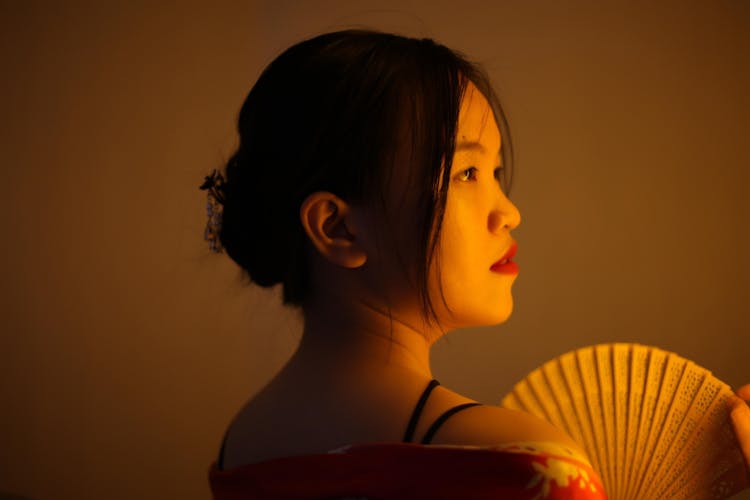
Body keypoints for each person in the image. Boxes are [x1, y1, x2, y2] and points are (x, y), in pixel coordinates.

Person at [200, 28, 750, 499]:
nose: (508, 211)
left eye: (496, 172)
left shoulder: (245, 442)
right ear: (338, 228)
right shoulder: (519, 462)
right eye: (466, 173)